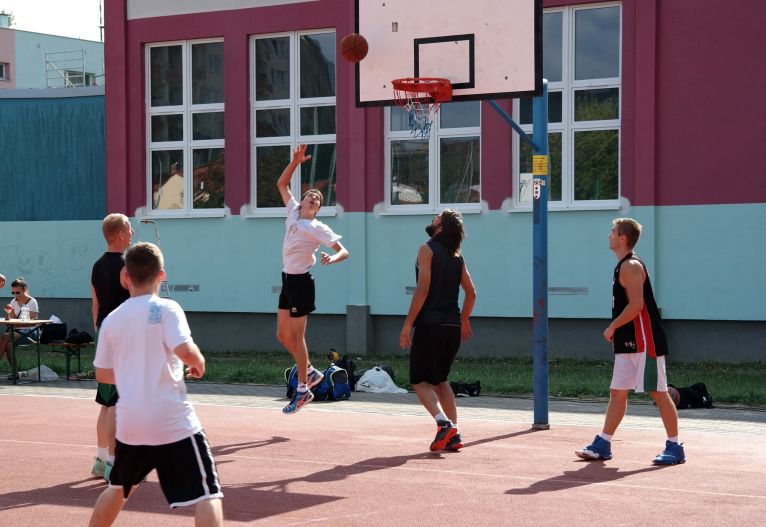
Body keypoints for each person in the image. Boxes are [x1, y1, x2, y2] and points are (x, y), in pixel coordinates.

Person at [89, 242, 223, 527]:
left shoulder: (112, 319)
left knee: (117, 488)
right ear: (162, 275)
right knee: (208, 492)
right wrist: (198, 361)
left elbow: (102, 373)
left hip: (131, 423)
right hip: (170, 419)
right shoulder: (167, 308)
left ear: (126, 276)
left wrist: (131, 373)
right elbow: (185, 350)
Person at [575, 218, 685, 465]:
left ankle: (675, 447)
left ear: (622, 238)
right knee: (617, 392)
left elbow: (637, 305)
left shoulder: (631, 266)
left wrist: (612, 326)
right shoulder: (621, 266)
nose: (609, 235)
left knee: (658, 393)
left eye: (612, 231)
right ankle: (603, 442)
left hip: (645, 341)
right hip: (628, 341)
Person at [276, 144, 349, 414]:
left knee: (297, 338)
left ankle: (304, 390)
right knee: (282, 335)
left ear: (317, 209)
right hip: (287, 280)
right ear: (303, 200)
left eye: (317, 199)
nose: (313, 198)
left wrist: (333, 258)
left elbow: (344, 251)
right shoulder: (293, 211)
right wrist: (295, 162)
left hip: (302, 284)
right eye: (310, 195)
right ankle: (311, 372)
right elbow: (282, 183)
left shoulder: (317, 228)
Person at [399, 210, 477, 451]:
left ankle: (443, 424)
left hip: (430, 325)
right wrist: (463, 319)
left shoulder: (426, 249)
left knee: (419, 381)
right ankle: (454, 434)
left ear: (441, 228)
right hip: (452, 326)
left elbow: (422, 289)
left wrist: (408, 324)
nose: (433, 218)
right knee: (441, 380)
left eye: (437, 218)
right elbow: (472, 293)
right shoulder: (457, 257)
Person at [90, 213, 133, 481]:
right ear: (119, 235)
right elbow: (138, 302)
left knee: (105, 402)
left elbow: (95, 304)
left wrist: (99, 332)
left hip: (104, 332)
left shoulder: (96, 266)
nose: (132, 233)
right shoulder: (127, 266)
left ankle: (100, 459)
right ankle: (115, 464)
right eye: (129, 229)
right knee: (117, 401)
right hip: (122, 336)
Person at [1, 278, 39, 372]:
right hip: (17, 331)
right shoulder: (13, 302)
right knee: (9, 345)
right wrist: (8, 315)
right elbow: (12, 320)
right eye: (13, 293)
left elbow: (32, 322)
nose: (15, 295)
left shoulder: (32, 302)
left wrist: (16, 324)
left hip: (31, 331)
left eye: (17, 292)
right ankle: (16, 372)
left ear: (24, 289)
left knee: (5, 336)